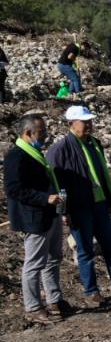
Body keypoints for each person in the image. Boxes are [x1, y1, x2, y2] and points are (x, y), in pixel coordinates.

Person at [47, 106, 111, 306]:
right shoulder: (59, 150)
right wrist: (63, 211)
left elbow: (104, 175)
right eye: (84, 122)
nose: (89, 125)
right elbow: (57, 184)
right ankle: (91, 292)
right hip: (79, 208)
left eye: (90, 121)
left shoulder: (94, 143)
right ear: (71, 124)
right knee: (85, 251)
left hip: (100, 204)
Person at [5, 113, 67, 324]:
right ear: (28, 132)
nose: (46, 135)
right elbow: (14, 189)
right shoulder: (17, 156)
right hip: (34, 217)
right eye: (42, 132)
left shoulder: (34, 152)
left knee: (53, 258)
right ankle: (32, 307)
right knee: (34, 264)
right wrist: (44, 198)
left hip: (50, 214)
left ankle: (54, 299)